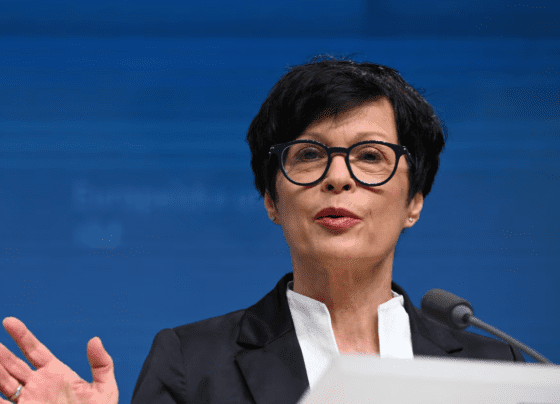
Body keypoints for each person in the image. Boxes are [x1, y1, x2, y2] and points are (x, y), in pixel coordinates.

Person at [0, 57, 524, 404]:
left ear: (414, 201)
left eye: (370, 156)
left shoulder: (494, 369)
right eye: (309, 155)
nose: (337, 177)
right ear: (272, 200)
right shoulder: (191, 363)